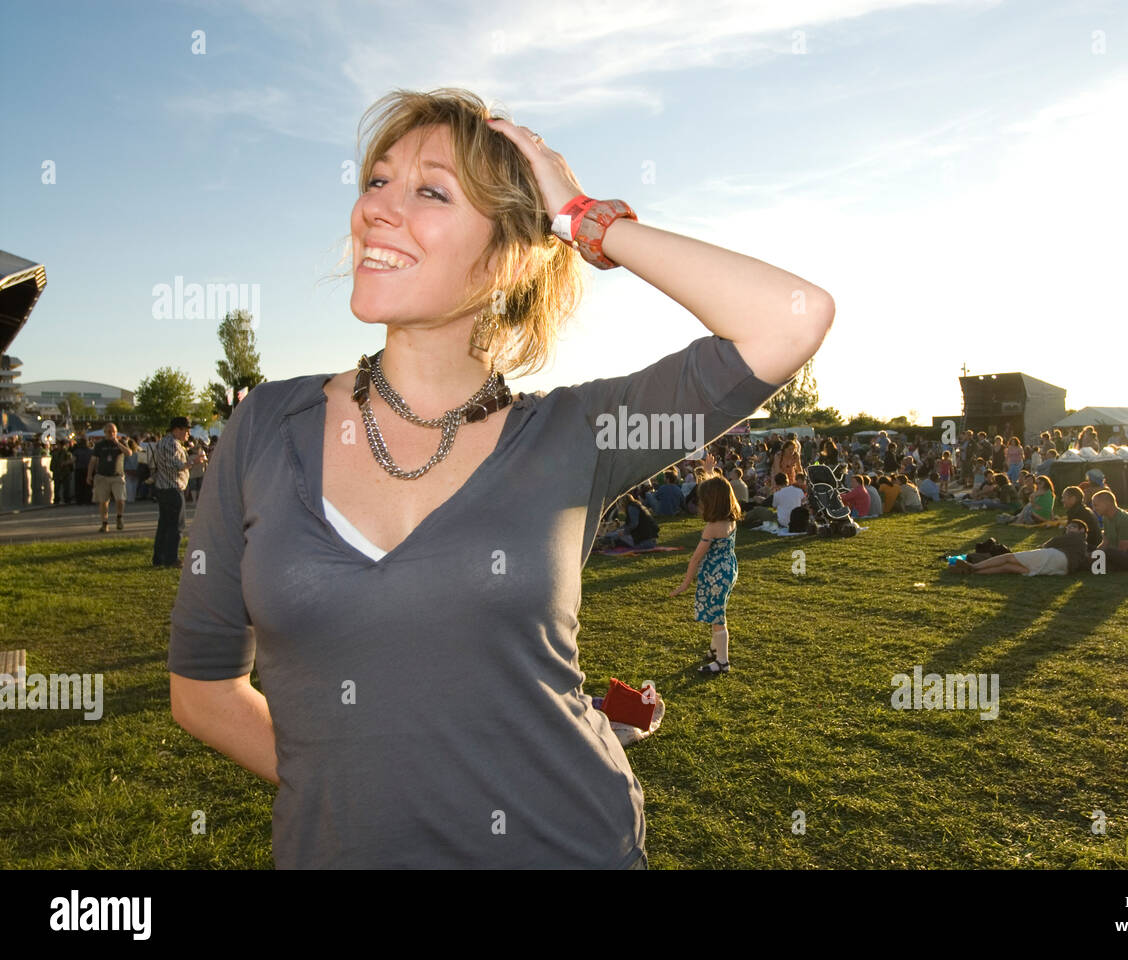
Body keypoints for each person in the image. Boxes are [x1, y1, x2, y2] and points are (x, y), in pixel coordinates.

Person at [166, 88, 833, 870]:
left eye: (430, 191)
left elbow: (792, 318)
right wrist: (363, 789)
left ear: (507, 256)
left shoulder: (576, 433)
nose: (376, 209)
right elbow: (202, 688)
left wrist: (587, 219)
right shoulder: (265, 427)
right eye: (377, 182)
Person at [670, 477, 742, 674]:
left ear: (711, 502)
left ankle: (722, 661)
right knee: (717, 611)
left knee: (718, 617)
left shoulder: (712, 528)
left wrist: (684, 584)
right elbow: (720, 487)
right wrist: (710, 473)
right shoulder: (730, 519)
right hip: (728, 570)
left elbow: (695, 559)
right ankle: (715, 649)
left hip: (715, 575)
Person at [950, 518, 1091, 576]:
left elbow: (1050, 543)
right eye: (1068, 527)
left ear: (1082, 530)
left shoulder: (1075, 538)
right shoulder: (1083, 546)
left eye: (1073, 527)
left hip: (1055, 556)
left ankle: (974, 566)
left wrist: (1046, 544)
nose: (1069, 529)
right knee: (1009, 567)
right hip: (1062, 569)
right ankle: (971, 572)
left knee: (1008, 557)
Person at [152, 416, 198, 566]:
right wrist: (193, 461)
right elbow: (177, 465)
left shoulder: (162, 442)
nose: (188, 434)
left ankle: (159, 558)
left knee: (164, 525)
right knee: (176, 525)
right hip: (172, 488)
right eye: (186, 430)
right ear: (177, 429)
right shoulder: (172, 443)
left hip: (163, 487)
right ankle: (172, 558)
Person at [1092, 489, 1128, 571]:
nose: (1094, 509)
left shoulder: (1123, 519)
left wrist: (1100, 556)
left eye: (1096, 505)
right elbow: (1105, 542)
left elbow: (1122, 549)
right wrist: (1094, 554)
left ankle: (1104, 566)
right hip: (1120, 555)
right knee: (1092, 550)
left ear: (1107, 504)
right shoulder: (1106, 518)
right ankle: (1101, 566)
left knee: (1106, 553)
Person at [87, 422, 131, 532]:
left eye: (114, 432)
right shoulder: (99, 445)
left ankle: (119, 517)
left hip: (117, 476)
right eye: (109, 432)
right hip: (102, 476)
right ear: (105, 433)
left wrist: (118, 443)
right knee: (103, 501)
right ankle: (104, 523)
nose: (112, 434)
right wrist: (89, 475)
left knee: (120, 499)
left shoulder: (122, 442)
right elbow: (93, 461)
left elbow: (129, 453)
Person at [1060, 485, 1102, 551]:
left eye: (1064, 497)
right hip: (1091, 546)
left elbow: (1070, 537)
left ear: (1073, 499)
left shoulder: (1079, 513)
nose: (1062, 500)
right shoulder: (1081, 510)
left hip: (1089, 548)